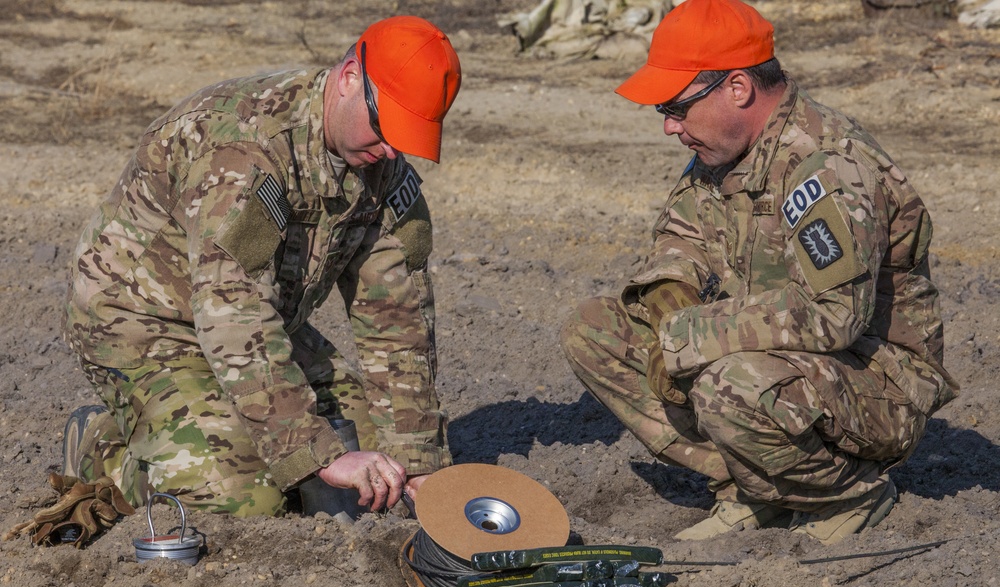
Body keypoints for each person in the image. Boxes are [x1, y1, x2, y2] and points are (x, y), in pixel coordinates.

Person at [560, 0, 958, 544]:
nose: (670, 127)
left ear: (739, 89)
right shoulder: (723, 151)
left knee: (733, 382)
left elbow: (834, 316)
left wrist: (687, 338)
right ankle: (754, 486)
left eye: (676, 107)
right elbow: (681, 235)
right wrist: (669, 300)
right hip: (781, 358)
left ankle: (845, 493)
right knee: (593, 330)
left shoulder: (826, 166)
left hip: (876, 379)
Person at [62, 16, 461, 518]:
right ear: (349, 78)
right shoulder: (243, 149)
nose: (391, 150)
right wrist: (311, 451)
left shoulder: (380, 164)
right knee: (246, 499)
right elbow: (233, 315)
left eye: (407, 136)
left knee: (378, 476)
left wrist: (415, 460)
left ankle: (206, 427)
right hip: (143, 325)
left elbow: (397, 317)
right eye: (386, 128)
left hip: (259, 322)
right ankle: (108, 448)